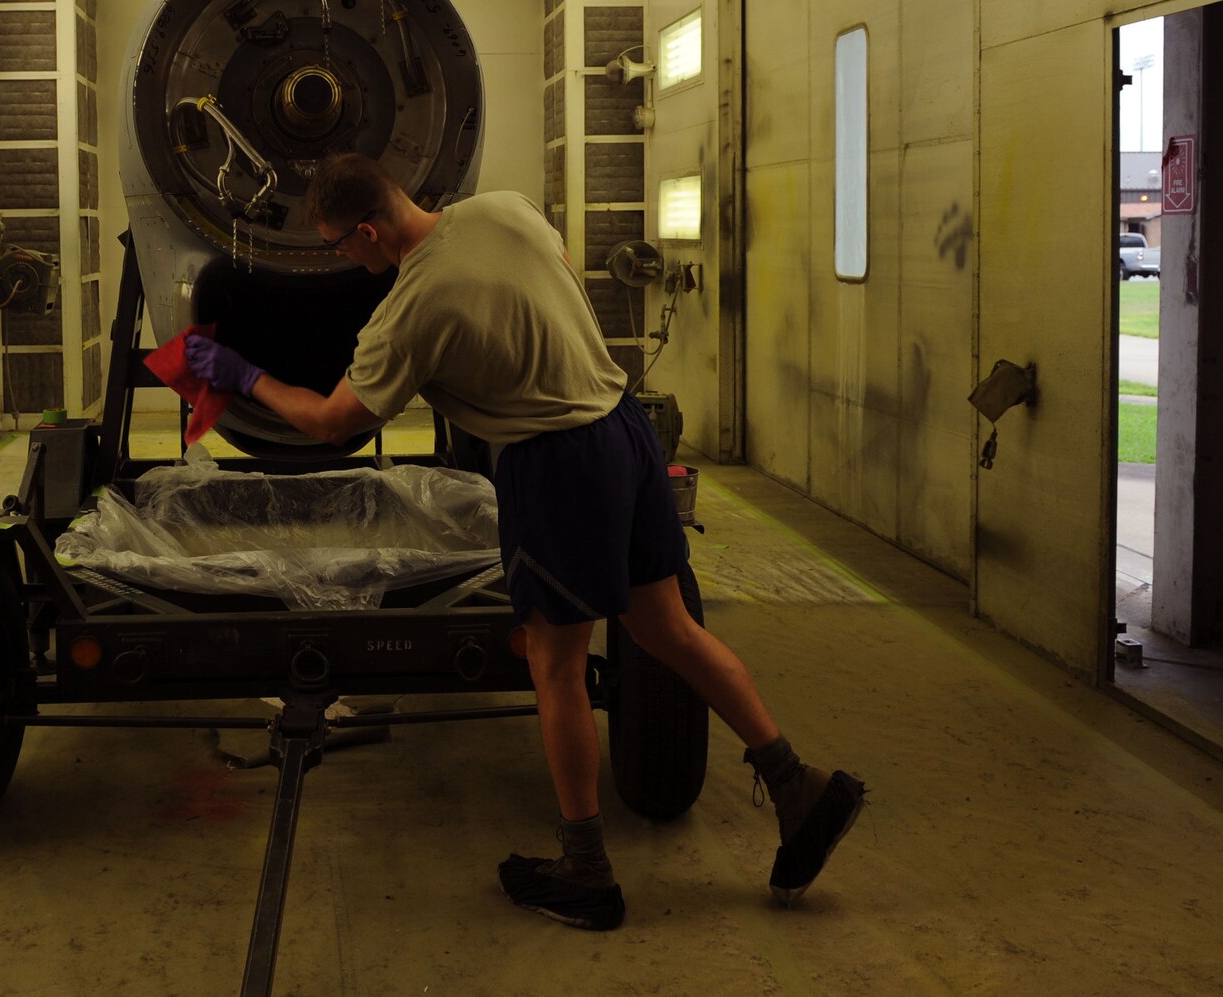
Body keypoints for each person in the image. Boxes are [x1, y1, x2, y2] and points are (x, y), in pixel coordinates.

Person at [184, 151, 865, 931]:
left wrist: (237, 372)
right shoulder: (506, 208)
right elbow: (553, 280)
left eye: (343, 243)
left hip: (558, 463)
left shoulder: (410, 309)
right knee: (666, 627)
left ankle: (585, 869)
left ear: (369, 229)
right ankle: (796, 784)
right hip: (623, 426)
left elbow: (333, 421)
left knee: (556, 667)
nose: (345, 257)